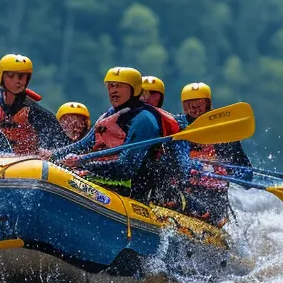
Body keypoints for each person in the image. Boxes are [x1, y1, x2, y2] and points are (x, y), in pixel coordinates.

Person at [50, 66, 184, 208]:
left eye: (119, 86)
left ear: (134, 89)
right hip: (104, 180)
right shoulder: (108, 116)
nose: (113, 90)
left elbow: (127, 167)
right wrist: (51, 155)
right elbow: (83, 145)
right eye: (111, 86)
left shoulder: (144, 120)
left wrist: (83, 163)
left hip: (131, 191)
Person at [175, 82, 252, 226]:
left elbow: (247, 175)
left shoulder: (224, 134)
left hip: (214, 196)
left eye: (199, 103)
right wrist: (192, 165)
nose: (194, 108)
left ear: (208, 104)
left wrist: (228, 171)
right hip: (185, 192)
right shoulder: (177, 127)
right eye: (188, 103)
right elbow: (176, 160)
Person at [0, 54, 69, 154]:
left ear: (27, 80)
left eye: (21, 77)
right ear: (2, 78)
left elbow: (60, 143)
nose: (16, 81)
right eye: (10, 76)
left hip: (25, 164)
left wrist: (49, 153)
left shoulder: (37, 113)